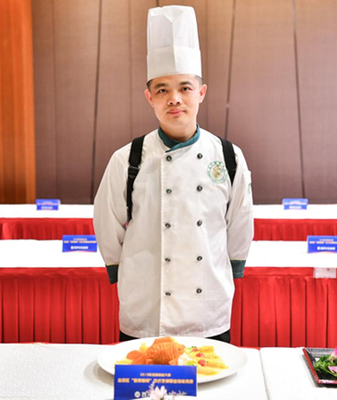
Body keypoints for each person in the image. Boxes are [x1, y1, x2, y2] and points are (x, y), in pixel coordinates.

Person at [93, 5, 253, 343]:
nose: (174, 99)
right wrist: (124, 273)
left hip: (208, 307)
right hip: (147, 308)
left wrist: (234, 266)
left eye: (185, 88)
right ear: (149, 97)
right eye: (162, 90)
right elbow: (108, 224)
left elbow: (239, 224)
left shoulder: (228, 156)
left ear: (202, 93)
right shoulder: (127, 159)